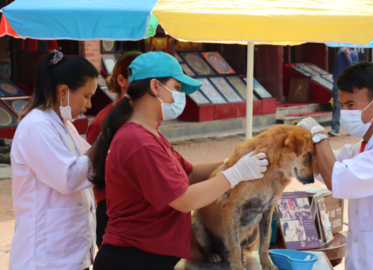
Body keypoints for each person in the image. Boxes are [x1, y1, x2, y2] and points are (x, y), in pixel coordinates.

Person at [88, 52, 268, 270]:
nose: (180, 96)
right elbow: (184, 200)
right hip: (132, 259)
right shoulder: (138, 141)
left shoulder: (150, 134)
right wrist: (236, 174)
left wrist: (235, 161)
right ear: (155, 86)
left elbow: (189, 174)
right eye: (177, 88)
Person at [297, 62, 373, 269]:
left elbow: (336, 179)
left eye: (351, 105)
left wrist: (319, 136)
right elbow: (325, 166)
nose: (344, 112)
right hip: (362, 260)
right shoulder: (362, 148)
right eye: (342, 105)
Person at [9, 50, 98, 270]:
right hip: (44, 260)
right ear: (64, 91)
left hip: (67, 252)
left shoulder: (64, 125)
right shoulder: (37, 126)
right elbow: (68, 177)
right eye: (86, 96)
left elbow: (89, 160)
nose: (89, 106)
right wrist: (106, 140)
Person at [86, 51, 142, 248]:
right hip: (113, 211)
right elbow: (94, 170)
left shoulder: (144, 117)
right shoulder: (104, 120)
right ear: (122, 80)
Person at [331, 47, 359, 136]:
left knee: (350, 106)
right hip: (338, 84)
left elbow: (354, 69)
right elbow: (335, 68)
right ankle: (335, 129)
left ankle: (350, 129)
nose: (342, 47)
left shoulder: (354, 55)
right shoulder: (338, 54)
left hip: (349, 84)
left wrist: (348, 56)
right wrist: (334, 81)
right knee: (336, 105)